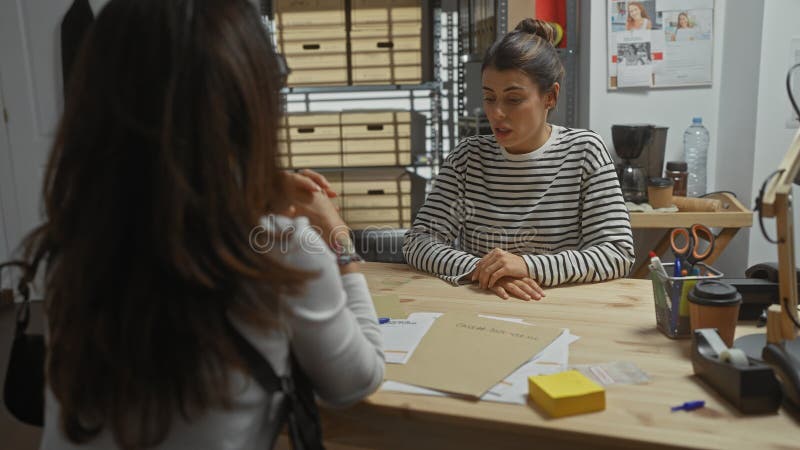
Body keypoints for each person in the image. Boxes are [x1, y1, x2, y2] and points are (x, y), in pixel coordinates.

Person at [24, 0, 384, 448]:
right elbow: (355, 381)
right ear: (250, 102)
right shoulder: (282, 247)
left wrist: (241, 193)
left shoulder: (72, 246)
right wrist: (340, 241)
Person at [403, 19, 635, 301]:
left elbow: (617, 253)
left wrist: (528, 266)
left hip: (556, 307)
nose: (497, 113)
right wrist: (483, 270)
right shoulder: (467, 159)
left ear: (550, 96)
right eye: (489, 98)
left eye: (513, 100)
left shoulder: (584, 152)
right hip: (482, 302)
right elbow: (419, 242)